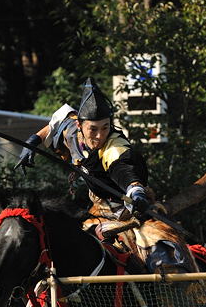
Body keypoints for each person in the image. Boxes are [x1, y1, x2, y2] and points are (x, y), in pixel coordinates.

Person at [14, 77, 192, 273]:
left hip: (131, 211)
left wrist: (136, 191)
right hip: (98, 211)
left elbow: (124, 169)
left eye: (105, 127)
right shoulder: (70, 129)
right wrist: (33, 141)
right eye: (93, 129)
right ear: (79, 125)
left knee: (166, 258)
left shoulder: (114, 147)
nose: (99, 136)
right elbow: (53, 126)